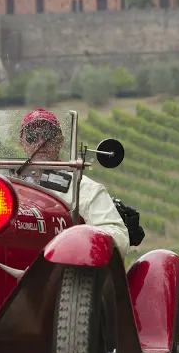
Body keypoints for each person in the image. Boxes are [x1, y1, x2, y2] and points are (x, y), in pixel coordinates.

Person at [16, 108, 131, 263]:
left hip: (67, 270)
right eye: (32, 136)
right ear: (22, 143)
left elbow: (119, 237)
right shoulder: (9, 184)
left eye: (49, 136)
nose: (41, 142)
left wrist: (79, 238)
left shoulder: (84, 187)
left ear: (61, 141)